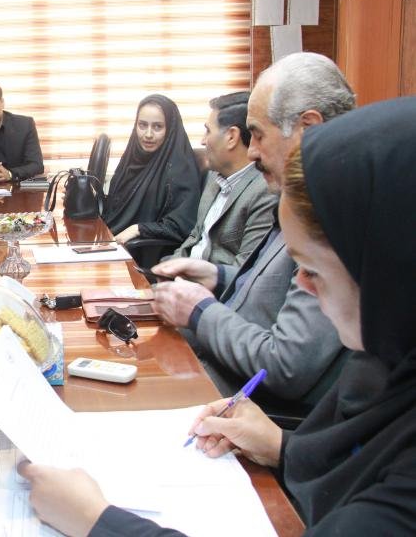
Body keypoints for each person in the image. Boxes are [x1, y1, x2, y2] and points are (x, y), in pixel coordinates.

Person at [18, 97, 416, 535]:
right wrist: (283, 449)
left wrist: (97, 520)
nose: (300, 284)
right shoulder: (387, 366)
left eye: (313, 269)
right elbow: (352, 470)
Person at [151, 53, 353, 415]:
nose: (252, 151)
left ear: (307, 128)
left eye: (258, 134)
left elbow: (286, 366)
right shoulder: (298, 198)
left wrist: (199, 311)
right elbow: (275, 294)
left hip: (243, 405)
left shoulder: (334, 219)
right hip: (213, 371)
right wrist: (218, 275)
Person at [170, 91, 275, 266]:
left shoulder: (264, 191)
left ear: (231, 137)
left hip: (211, 282)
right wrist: (164, 269)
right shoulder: (214, 176)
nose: (203, 141)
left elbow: (246, 271)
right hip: (182, 276)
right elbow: (195, 237)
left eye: (208, 131)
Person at [102, 94, 201, 267]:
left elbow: (181, 226)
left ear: (170, 129)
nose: (148, 134)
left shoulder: (180, 169)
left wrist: (138, 229)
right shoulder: (132, 159)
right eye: (142, 125)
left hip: (150, 259)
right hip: (117, 247)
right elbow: (118, 206)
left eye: (157, 127)